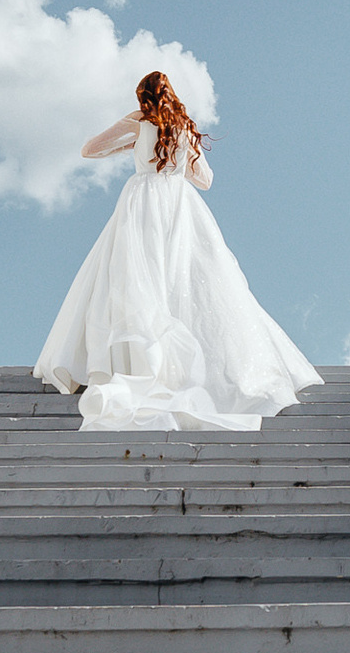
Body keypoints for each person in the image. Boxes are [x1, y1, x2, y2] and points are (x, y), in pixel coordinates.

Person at [37, 68, 322, 433]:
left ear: (143, 97)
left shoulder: (138, 119)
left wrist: (130, 146)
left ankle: (139, 361)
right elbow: (205, 181)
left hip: (143, 201)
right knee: (187, 280)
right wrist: (177, 161)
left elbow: (89, 150)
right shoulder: (185, 127)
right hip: (180, 203)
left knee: (137, 277)